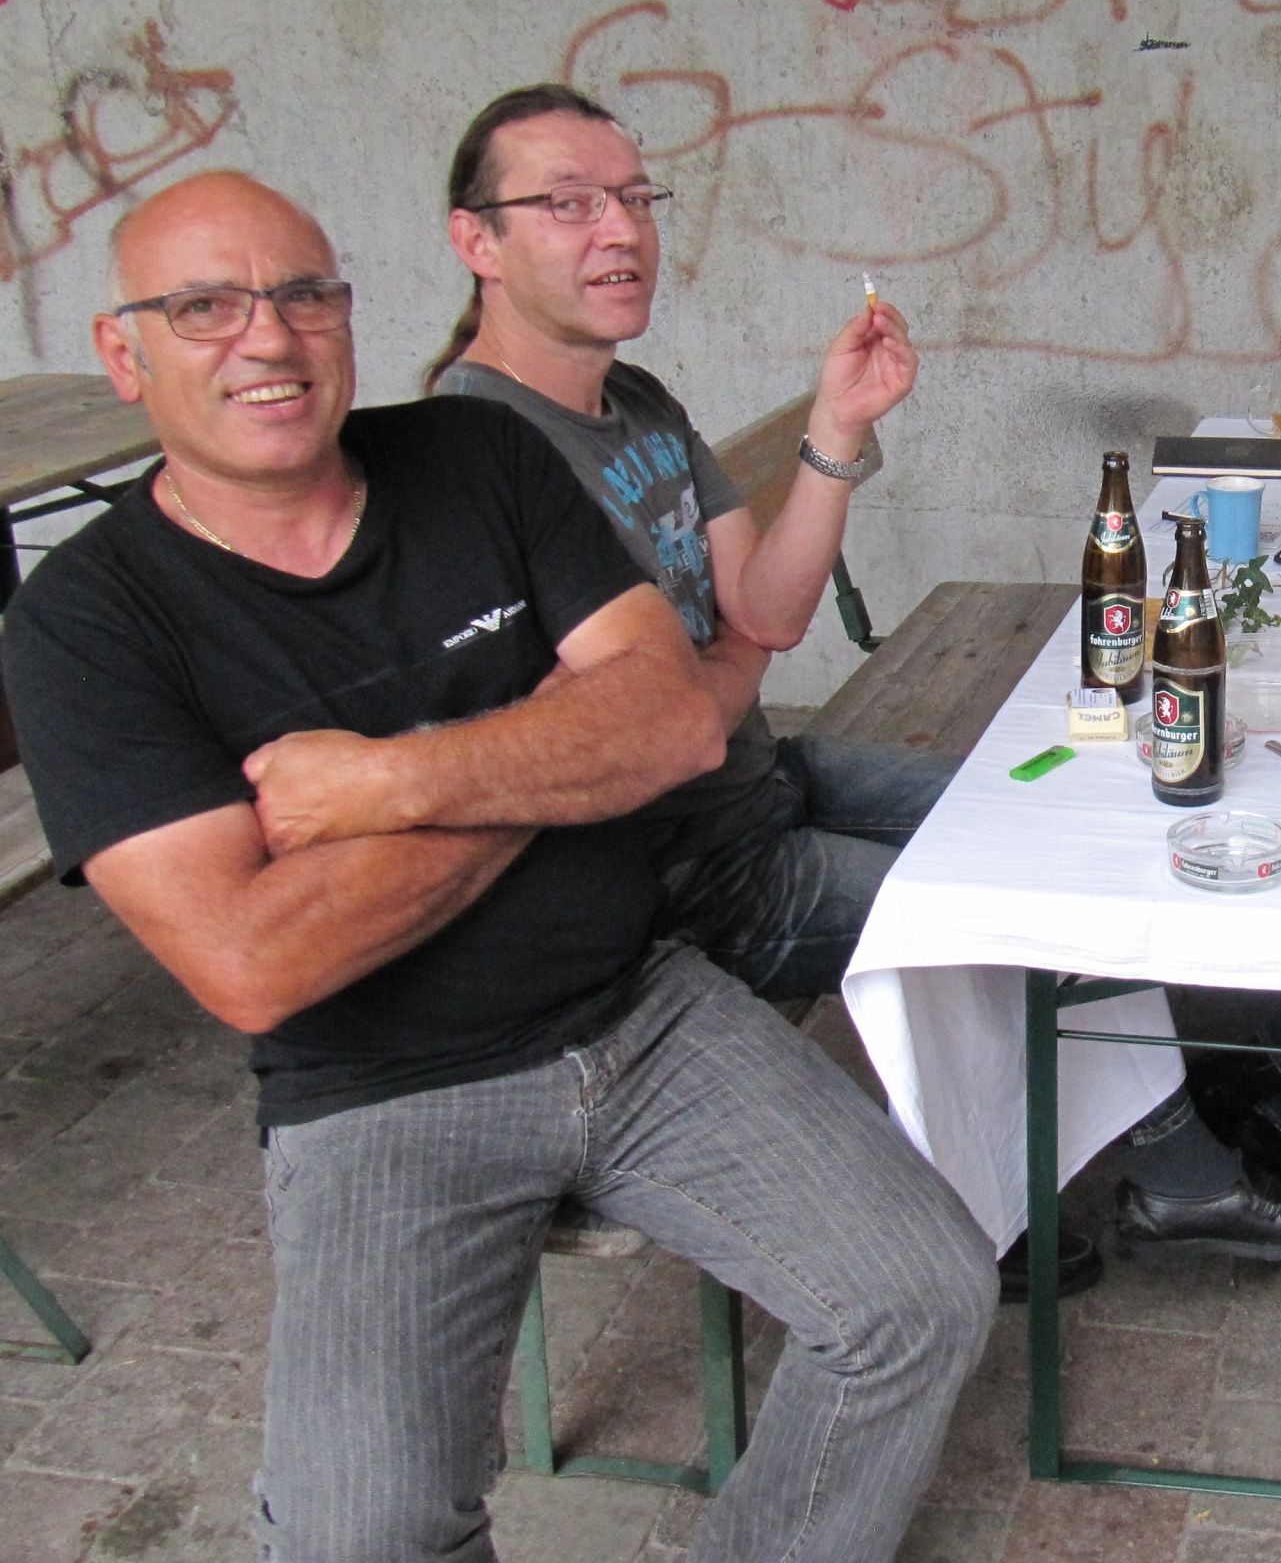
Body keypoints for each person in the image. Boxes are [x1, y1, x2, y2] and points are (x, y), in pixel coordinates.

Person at [1, 171, 995, 1563]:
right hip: (383, 1089)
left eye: (303, 295)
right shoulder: (86, 620)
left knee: (922, 1296)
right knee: (361, 1534)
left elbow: (669, 725)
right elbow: (253, 960)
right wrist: (553, 746)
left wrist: (385, 782)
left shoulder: (476, 457)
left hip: (639, 1007)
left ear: (348, 312)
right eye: (206, 308)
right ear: (126, 353)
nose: (269, 338)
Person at [426, 84, 1281, 1274]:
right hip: (684, 879)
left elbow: (766, 611)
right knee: (1019, 912)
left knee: (1063, 820)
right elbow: (661, 731)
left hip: (765, 778)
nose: (619, 229)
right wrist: (729, 668)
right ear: (477, 241)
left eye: (633, 197)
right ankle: (1151, 1185)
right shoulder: (474, 456)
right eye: (568, 204)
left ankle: (1069, 1167)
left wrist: (837, 426)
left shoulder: (637, 403)